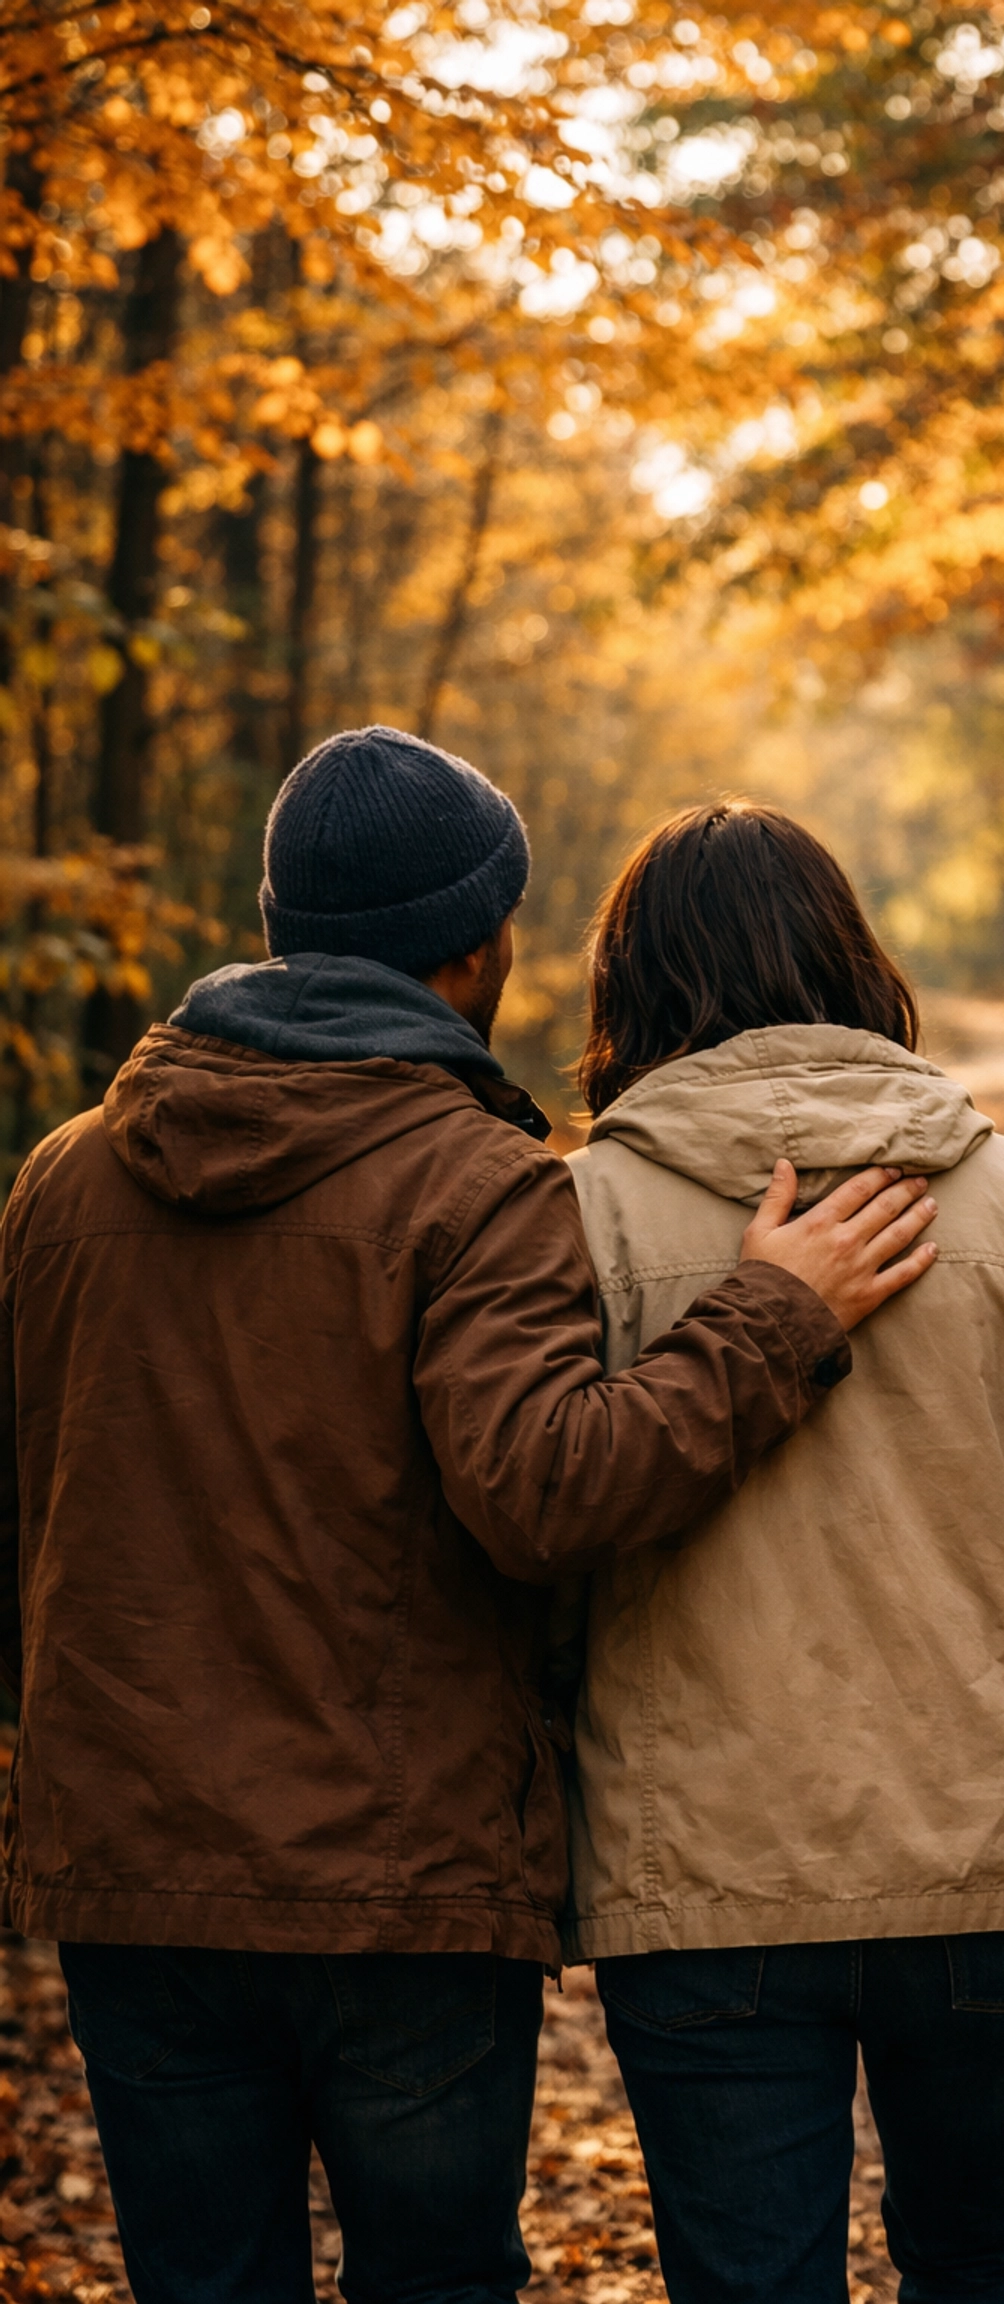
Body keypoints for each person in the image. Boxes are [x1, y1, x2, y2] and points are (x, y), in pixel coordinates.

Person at [0, 732, 937, 2302]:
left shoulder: (61, 1182)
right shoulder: (476, 1183)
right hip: (401, 1882)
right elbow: (549, 1491)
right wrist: (772, 1316)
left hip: (134, 1871)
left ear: (282, 919)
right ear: (486, 941)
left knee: (194, 2277)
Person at [564, 800, 1004, 2304]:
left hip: (705, 1877)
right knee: (982, 2256)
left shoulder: (579, 1212)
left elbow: (538, 1540)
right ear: (854, 956)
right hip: (999, 1850)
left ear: (630, 982)